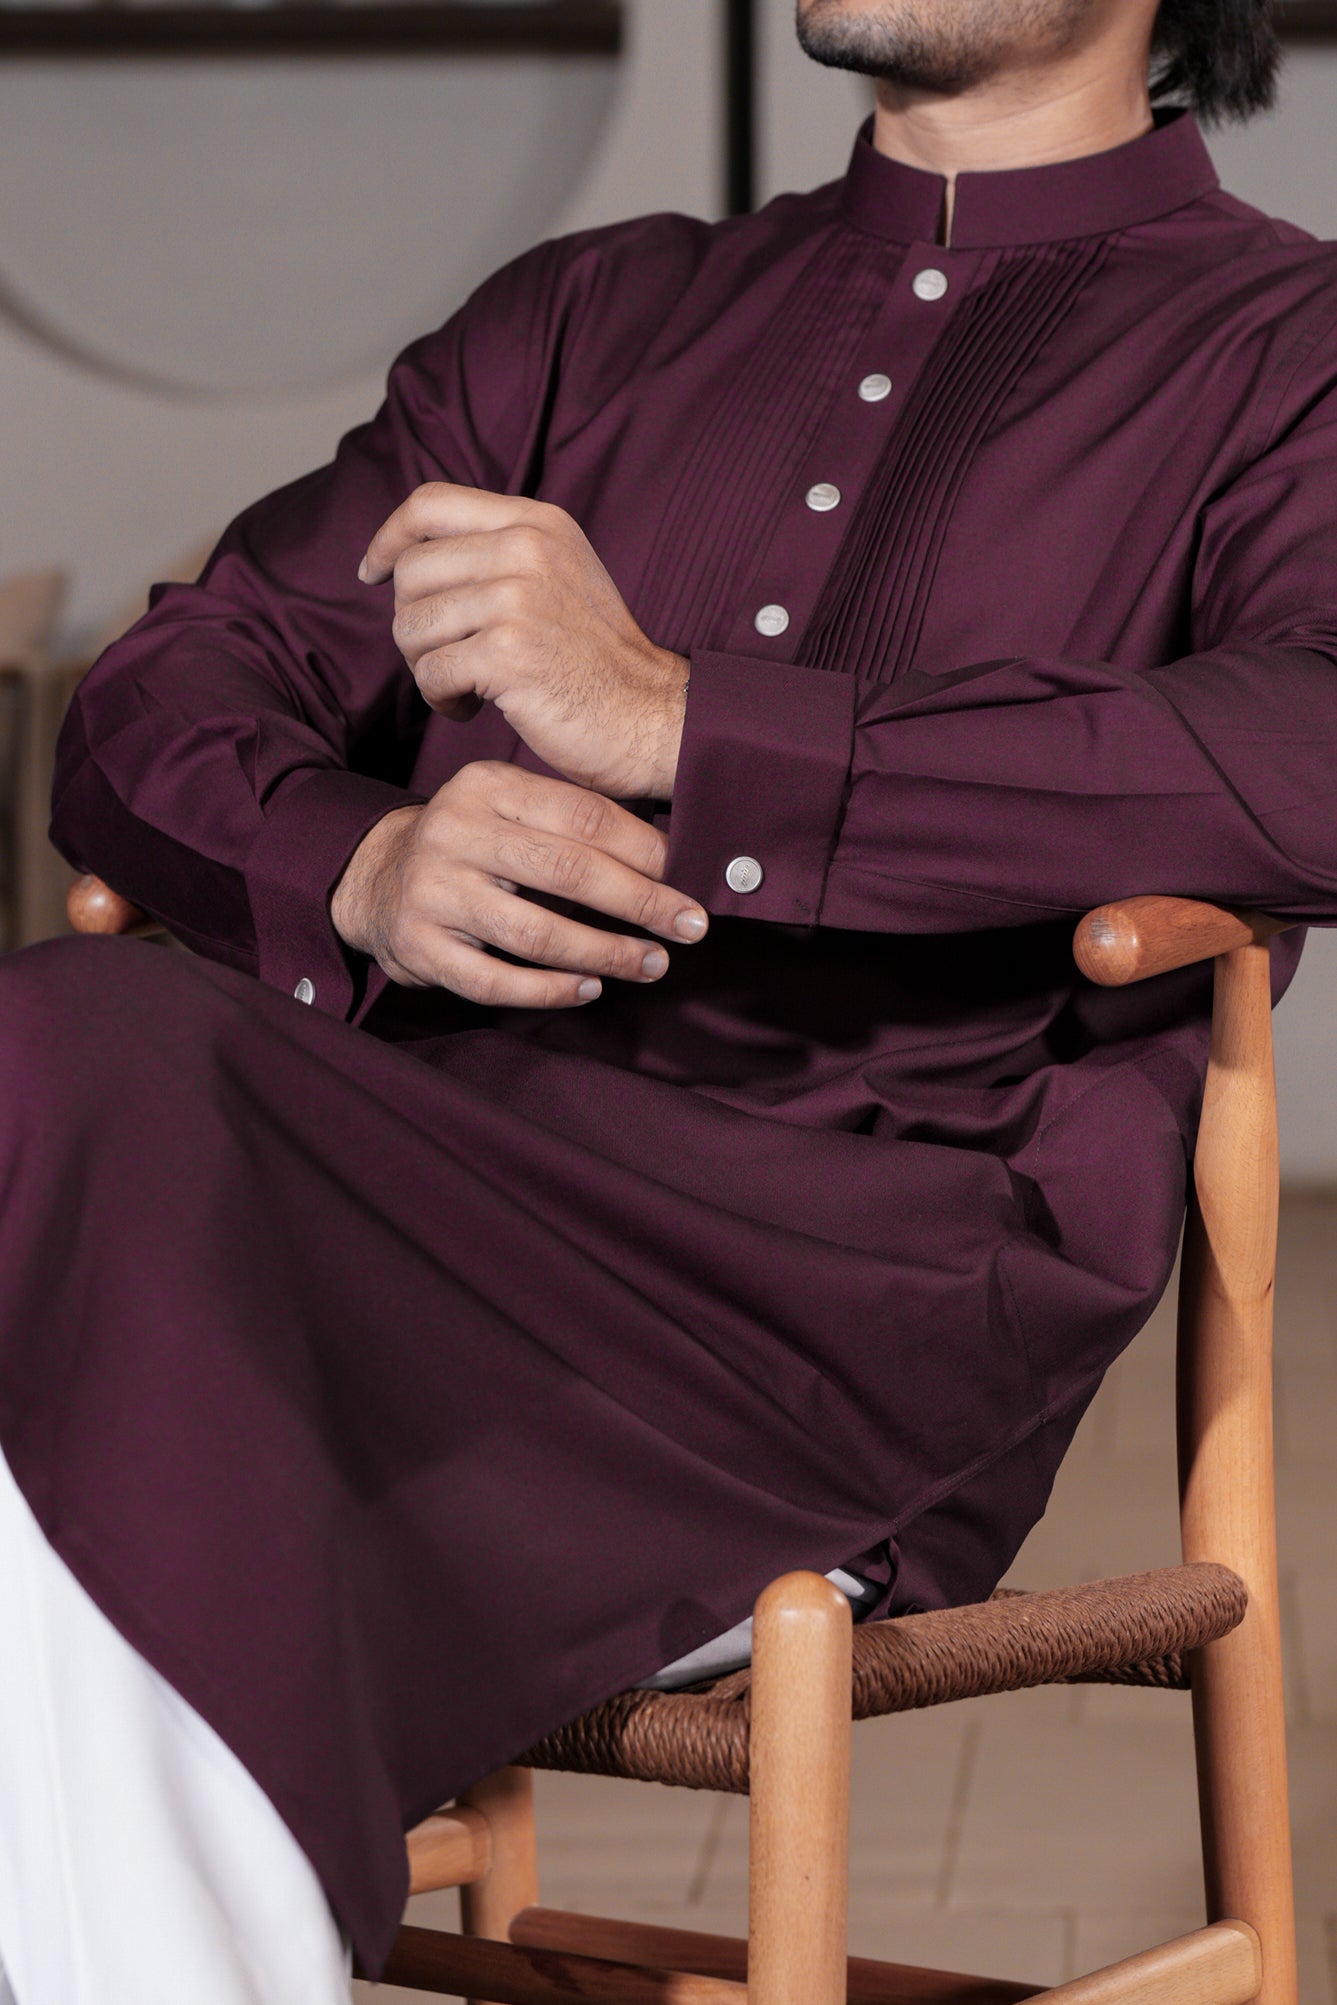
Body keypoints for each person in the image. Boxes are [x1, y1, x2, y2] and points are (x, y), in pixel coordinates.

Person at [2, 0, 1334, 1994]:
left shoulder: (1288, 351)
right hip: (391, 1217)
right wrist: (352, 861)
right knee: (68, 1126)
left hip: (851, 1290)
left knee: (76, 1081)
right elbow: (170, 688)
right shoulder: (584, 322)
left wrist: (691, 724)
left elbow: (1307, 743)